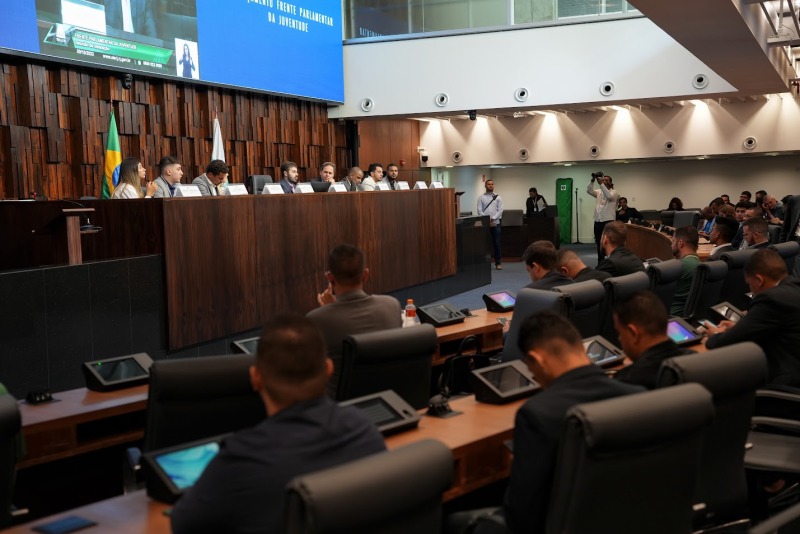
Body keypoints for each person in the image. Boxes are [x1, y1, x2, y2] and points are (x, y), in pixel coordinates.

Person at [170, 314, 386, 534]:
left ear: (255, 378)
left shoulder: (238, 461)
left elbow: (181, 525)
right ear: (328, 369)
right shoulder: (365, 430)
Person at [501, 312, 643, 533]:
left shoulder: (537, 414)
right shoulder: (638, 396)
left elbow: (523, 515)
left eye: (532, 371)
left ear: (537, 360)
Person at [306, 244, 403, 396]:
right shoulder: (391, 306)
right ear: (365, 274)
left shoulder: (316, 320)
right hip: (389, 402)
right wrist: (333, 309)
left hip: (339, 413)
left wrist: (330, 309)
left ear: (330, 278)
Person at [705, 249, 800, 387]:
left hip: (786, 385)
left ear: (759, 280)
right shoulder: (794, 286)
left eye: (749, 284)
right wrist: (739, 328)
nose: (751, 289)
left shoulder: (771, 299)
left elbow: (722, 342)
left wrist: (714, 335)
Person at [613, 291, 692, 389]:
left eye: (620, 333)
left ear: (633, 333)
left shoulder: (627, 381)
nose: (619, 339)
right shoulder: (695, 359)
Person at [587, 174, 619, 262]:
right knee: (599, 243)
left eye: (606, 180)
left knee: (610, 242)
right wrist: (592, 180)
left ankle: (611, 261)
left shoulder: (614, 192)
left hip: (608, 221)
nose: (604, 181)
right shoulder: (599, 192)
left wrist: (601, 184)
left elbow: (609, 196)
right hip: (598, 221)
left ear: (610, 182)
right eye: (603, 180)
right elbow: (589, 191)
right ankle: (601, 262)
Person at [669, 226, 701, 317]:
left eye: (673, 241)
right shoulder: (699, 264)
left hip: (668, 317)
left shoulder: (679, 266)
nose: (671, 245)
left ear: (680, 243)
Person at [477, 179, 504, 270]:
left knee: (496, 243)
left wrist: (493, 219)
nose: (490, 185)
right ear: (485, 186)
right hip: (485, 224)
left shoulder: (498, 197)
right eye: (488, 184)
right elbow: (479, 210)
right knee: (484, 244)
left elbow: (500, 210)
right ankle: (484, 263)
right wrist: (487, 220)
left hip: (496, 223)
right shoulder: (481, 197)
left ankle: (498, 263)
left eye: (492, 184)